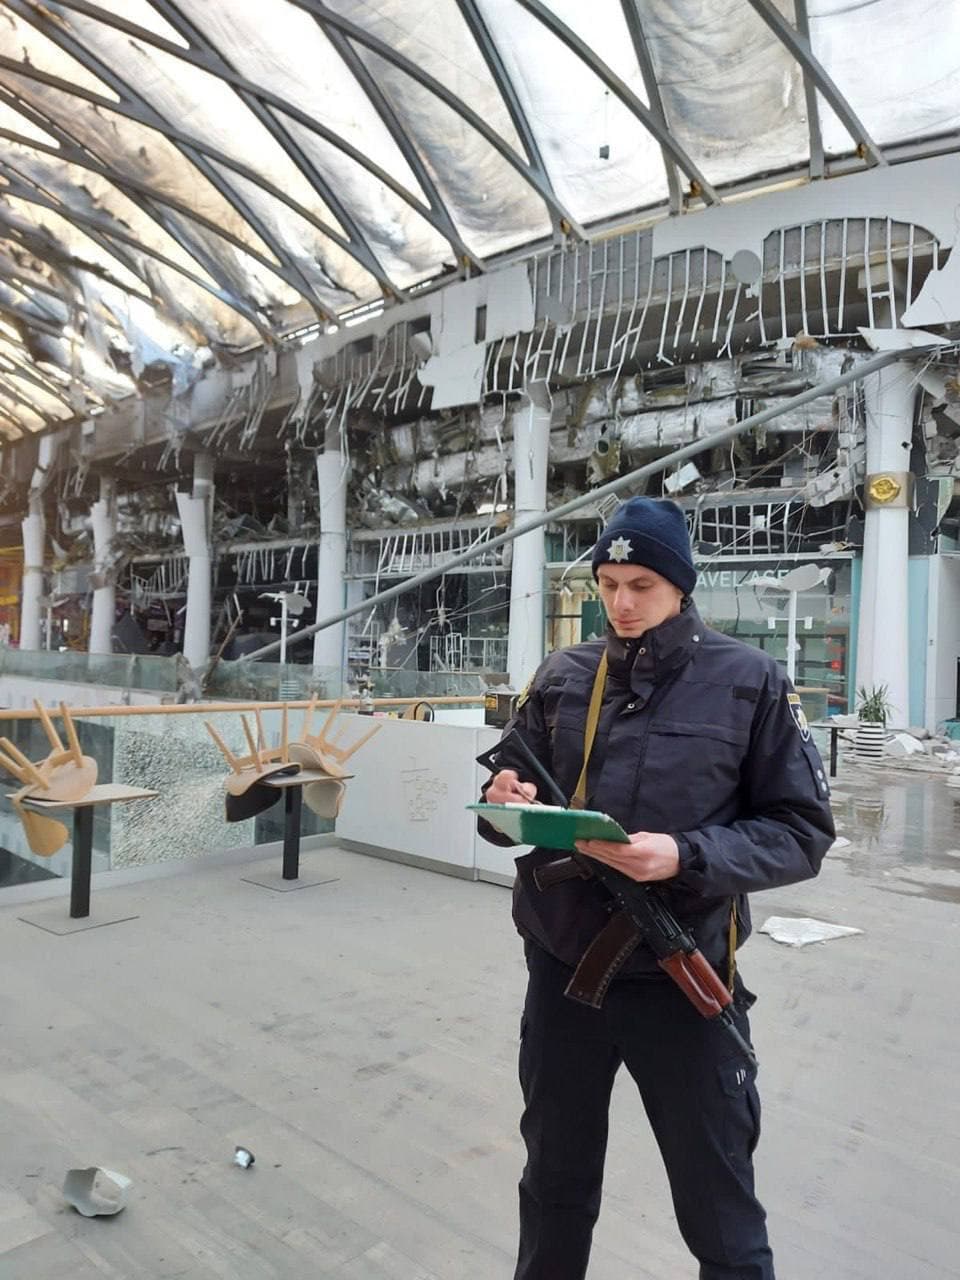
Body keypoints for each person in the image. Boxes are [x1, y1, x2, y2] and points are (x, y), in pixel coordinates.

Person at [478, 496, 835, 1280]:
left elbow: (803, 831)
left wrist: (686, 856)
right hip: (562, 975)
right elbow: (506, 796)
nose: (621, 602)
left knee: (722, 1215)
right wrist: (506, 803)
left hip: (684, 979)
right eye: (607, 582)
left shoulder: (749, 683)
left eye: (640, 583)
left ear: (680, 586)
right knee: (553, 1190)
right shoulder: (565, 675)